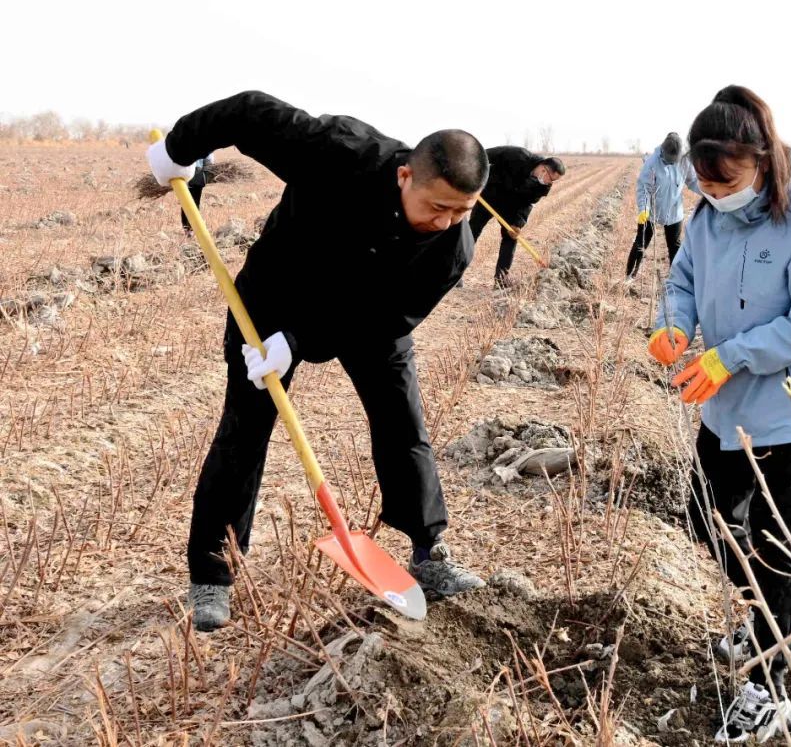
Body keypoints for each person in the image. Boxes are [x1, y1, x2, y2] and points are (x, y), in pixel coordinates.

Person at [146, 91, 489, 631]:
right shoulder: (338, 151)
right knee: (244, 427)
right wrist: (178, 149)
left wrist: (300, 341)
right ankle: (212, 575)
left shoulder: (452, 249)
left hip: (370, 316)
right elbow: (250, 111)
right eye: (437, 207)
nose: (446, 222)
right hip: (273, 296)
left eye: (462, 212)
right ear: (404, 176)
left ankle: (429, 552)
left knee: (403, 422)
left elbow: (390, 319)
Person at [647, 85, 791, 743]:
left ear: (761, 162)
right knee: (704, 523)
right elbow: (683, 279)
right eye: (703, 184)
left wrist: (732, 355)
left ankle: (774, 694)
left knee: (777, 553)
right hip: (724, 411)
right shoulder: (710, 218)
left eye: (726, 181)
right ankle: (765, 616)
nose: (712, 195)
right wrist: (674, 325)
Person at [467, 147, 564, 288]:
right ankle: (454, 272)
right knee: (472, 231)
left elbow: (529, 203)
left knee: (511, 238)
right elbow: (483, 156)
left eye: (553, 181)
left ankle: (501, 280)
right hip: (489, 196)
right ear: (543, 169)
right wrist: (471, 175)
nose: (549, 183)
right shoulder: (517, 156)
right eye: (550, 178)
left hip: (512, 207)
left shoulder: (544, 186)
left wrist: (518, 223)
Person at [626, 132, 700, 282]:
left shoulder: (684, 159)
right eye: (669, 160)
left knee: (675, 246)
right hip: (651, 211)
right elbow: (644, 188)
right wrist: (644, 209)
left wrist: (708, 192)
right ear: (663, 152)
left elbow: (692, 181)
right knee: (641, 243)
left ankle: (676, 281)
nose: (672, 163)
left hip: (674, 211)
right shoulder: (652, 163)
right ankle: (629, 276)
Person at [181, 153, 214, 235]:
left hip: (195, 175)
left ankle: (190, 228)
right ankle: (188, 228)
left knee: (192, 203)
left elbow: (209, 160)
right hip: (186, 175)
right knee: (189, 203)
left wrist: (205, 176)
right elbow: (209, 160)